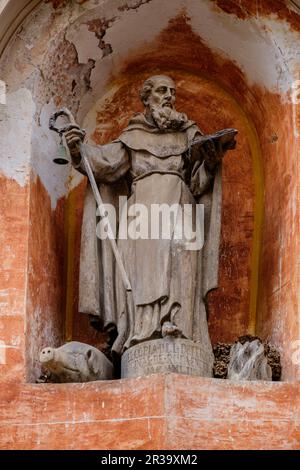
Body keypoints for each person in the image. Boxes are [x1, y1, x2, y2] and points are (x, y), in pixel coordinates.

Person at [65, 75, 234, 361]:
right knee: (144, 273)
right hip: (142, 212)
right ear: (146, 98)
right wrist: (77, 149)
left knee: (181, 266)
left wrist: (210, 158)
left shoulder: (188, 133)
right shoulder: (132, 136)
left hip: (181, 207)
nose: (168, 96)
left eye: (172, 92)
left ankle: (180, 326)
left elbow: (198, 183)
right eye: (161, 91)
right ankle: (142, 332)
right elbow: (104, 164)